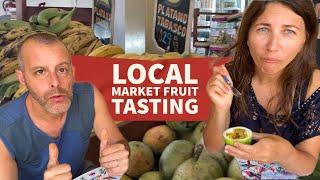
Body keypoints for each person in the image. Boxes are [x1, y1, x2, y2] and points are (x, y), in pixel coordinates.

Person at [204, 0, 320, 178]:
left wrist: (284, 153)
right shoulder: (232, 76)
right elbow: (213, 147)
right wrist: (221, 108)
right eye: (263, 29)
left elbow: (307, 166)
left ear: (304, 39)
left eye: (288, 31)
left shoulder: (315, 86)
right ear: (247, 35)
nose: (272, 47)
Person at [0, 33, 129, 180]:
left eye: (62, 69)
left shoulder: (89, 96)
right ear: (22, 78)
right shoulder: (4, 129)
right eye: (40, 72)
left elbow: (119, 142)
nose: (55, 82)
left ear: (72, 73)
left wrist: (118, 156)